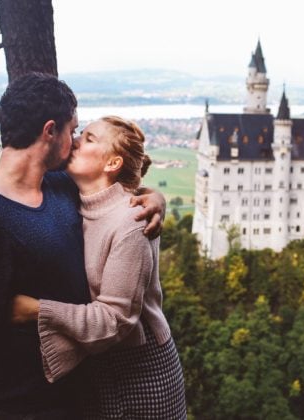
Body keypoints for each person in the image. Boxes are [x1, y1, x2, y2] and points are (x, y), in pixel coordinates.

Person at [0, 74, 165, 420]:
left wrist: (154, 198)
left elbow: (113, 193)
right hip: (20, 405)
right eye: (73, 130)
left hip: (78, 393)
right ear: (50, 131)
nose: (75, 139)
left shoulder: (60, 185)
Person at [12, 116, 187, 419]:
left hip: (142, 374)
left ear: (112, 163)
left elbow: (114, 321)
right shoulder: (75, 197)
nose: (76, 140)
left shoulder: (130, 223)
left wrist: (35, 309)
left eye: (90, 139)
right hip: (98, 368)